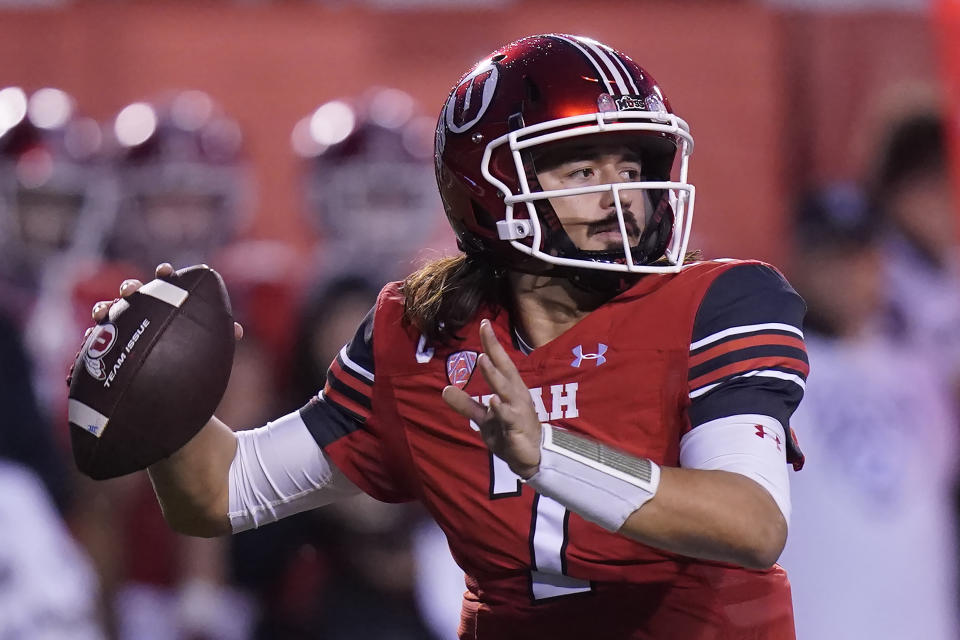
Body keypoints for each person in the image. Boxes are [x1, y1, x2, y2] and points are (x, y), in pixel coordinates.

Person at [88, 34, 807, 639]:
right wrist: (162, 393)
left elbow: (750, 523)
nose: (621, 196)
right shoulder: (421, 335)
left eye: (633, 167)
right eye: (584, 169)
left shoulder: (718, 301)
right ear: (488, 184)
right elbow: (218, 495)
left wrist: (548, 454)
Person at [777, 183, 959, 639]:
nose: (850, 273)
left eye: (862, 255)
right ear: (801, 261)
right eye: (832, 257)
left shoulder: (922, 372)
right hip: (820, 624)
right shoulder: (771, 373)